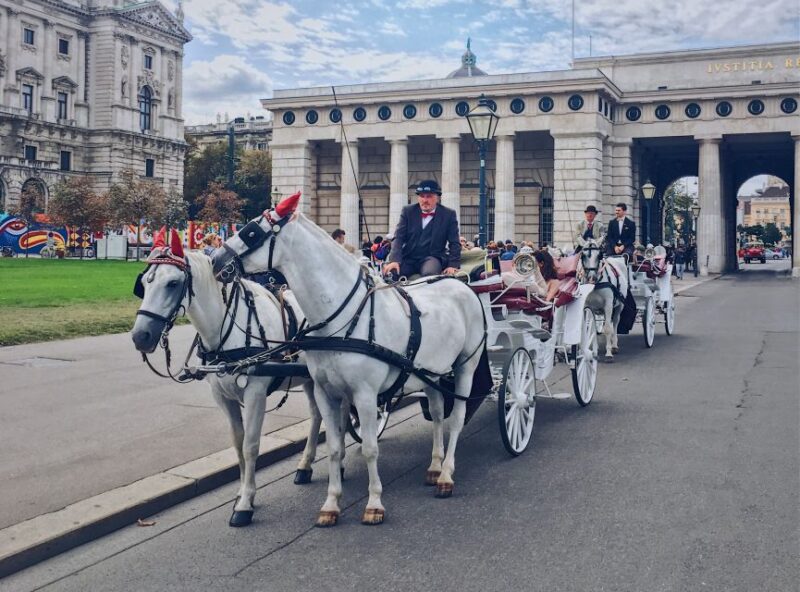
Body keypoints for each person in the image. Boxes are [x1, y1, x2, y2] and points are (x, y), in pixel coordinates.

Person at [383, 179, 461, 278]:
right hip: (409, 258)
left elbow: (454, 242)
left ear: (437, 198)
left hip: (432, 258)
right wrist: (394, 260)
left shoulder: (448, 214)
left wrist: (452, 265)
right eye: (422, 196)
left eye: (429, 196)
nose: (425, 200)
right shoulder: (408, 211)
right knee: (391, 273)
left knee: (429, 276)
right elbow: (398, 237)